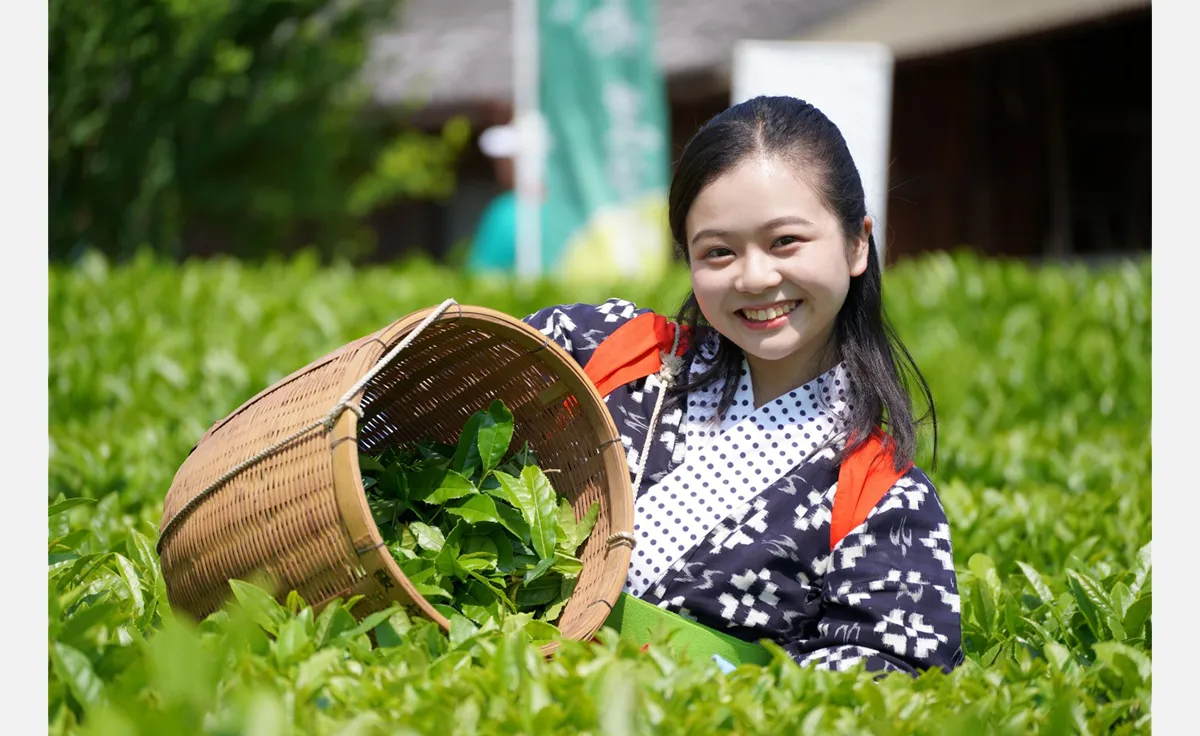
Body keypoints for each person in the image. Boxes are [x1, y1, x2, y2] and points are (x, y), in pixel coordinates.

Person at [521, 96, 963, 675]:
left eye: (786, 242)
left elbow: (897, 671)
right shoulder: (605, 352)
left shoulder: (882, 498)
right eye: (719, 252)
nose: (755, 277)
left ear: (857, 242)